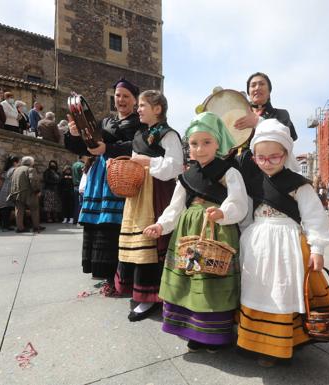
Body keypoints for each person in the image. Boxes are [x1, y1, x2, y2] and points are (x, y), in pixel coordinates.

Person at [144, 112, 247, 352]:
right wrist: (161, 225)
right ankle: (191, 329)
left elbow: (239, 201)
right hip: (188, 232)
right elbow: (176, 206)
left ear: (218, 143)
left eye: (206, 142)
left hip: (216, 230)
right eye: (194, 143)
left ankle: (213, 335)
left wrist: (224, 213)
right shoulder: (186, 176)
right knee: (190, 278)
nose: (199, 149)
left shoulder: (229, 172)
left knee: (212, 278)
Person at [236, 119, 329, 367]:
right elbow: (247, 216)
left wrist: (317, 248)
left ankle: (284, 341)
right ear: (254, 157)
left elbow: (314, 216)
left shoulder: (298, 185)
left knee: (284, 290)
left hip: (288, 245)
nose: (267, 163)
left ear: (285, 154)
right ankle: (258, 341)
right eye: (261, 158)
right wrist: (245, 241)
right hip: (258, 244)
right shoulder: (254, 183)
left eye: (274, 157)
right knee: (258, 289)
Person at [114, 90, 183, 322]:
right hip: (138, 191)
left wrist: (148, 162)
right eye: (140, 105)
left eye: (143, 105)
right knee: (136, 239)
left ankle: (151, 297)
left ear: (158, 109)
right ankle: (138, 291)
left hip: (157, 192)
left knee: (151, 241)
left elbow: (175, 166)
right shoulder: (140, 134)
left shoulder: (168, 134)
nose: (139, 108)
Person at [65, 79, 143, 282]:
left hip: (123, 176)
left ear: (135, 101)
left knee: (117, 224)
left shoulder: (140, 124)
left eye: (126, 96)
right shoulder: (105, 122)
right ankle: (104, 272)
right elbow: (83, 148)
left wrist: (107, 149)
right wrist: (74, 134)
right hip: (100, 179)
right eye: (118, 95)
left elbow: (137, 147)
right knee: (100, 222)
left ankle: (119, 275)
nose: (121, 100)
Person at [231, 72, 297, 186]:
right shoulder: (239, 115)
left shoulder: (281, 114)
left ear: (269, 91)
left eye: (261, 84)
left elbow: (287, 136)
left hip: (268, 175)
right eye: (253, 85)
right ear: (248, 92)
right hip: (238, 173)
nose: (257, 88)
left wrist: (259, 122)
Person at [9, 156, 44, 233]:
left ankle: (20, 228)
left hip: (17, 193)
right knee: (34, 209)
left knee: (19, 210)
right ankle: (36, 226)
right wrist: (37, 191)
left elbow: (12, 182)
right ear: (31, 163)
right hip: (29, 193)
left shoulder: (16, 170)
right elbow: (33, 181)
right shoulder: (31, 169)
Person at [0, 155, 20, 231]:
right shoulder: (14, 169)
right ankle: (5, 226)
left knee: (6, 208)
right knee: (7, 208)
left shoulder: (8, 169)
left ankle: (5, 225)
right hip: (10, 189)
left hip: (5, 188)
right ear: (15, 162)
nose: (19, 164)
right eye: (18, 162)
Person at [71, 155, 86, 223]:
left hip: (75, 186)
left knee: (76, 204)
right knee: (81, 203)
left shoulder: (74, 165)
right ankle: (80, 220)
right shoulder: (82, 165)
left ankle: (75, 219)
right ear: (82, 157)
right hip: (81, 186)